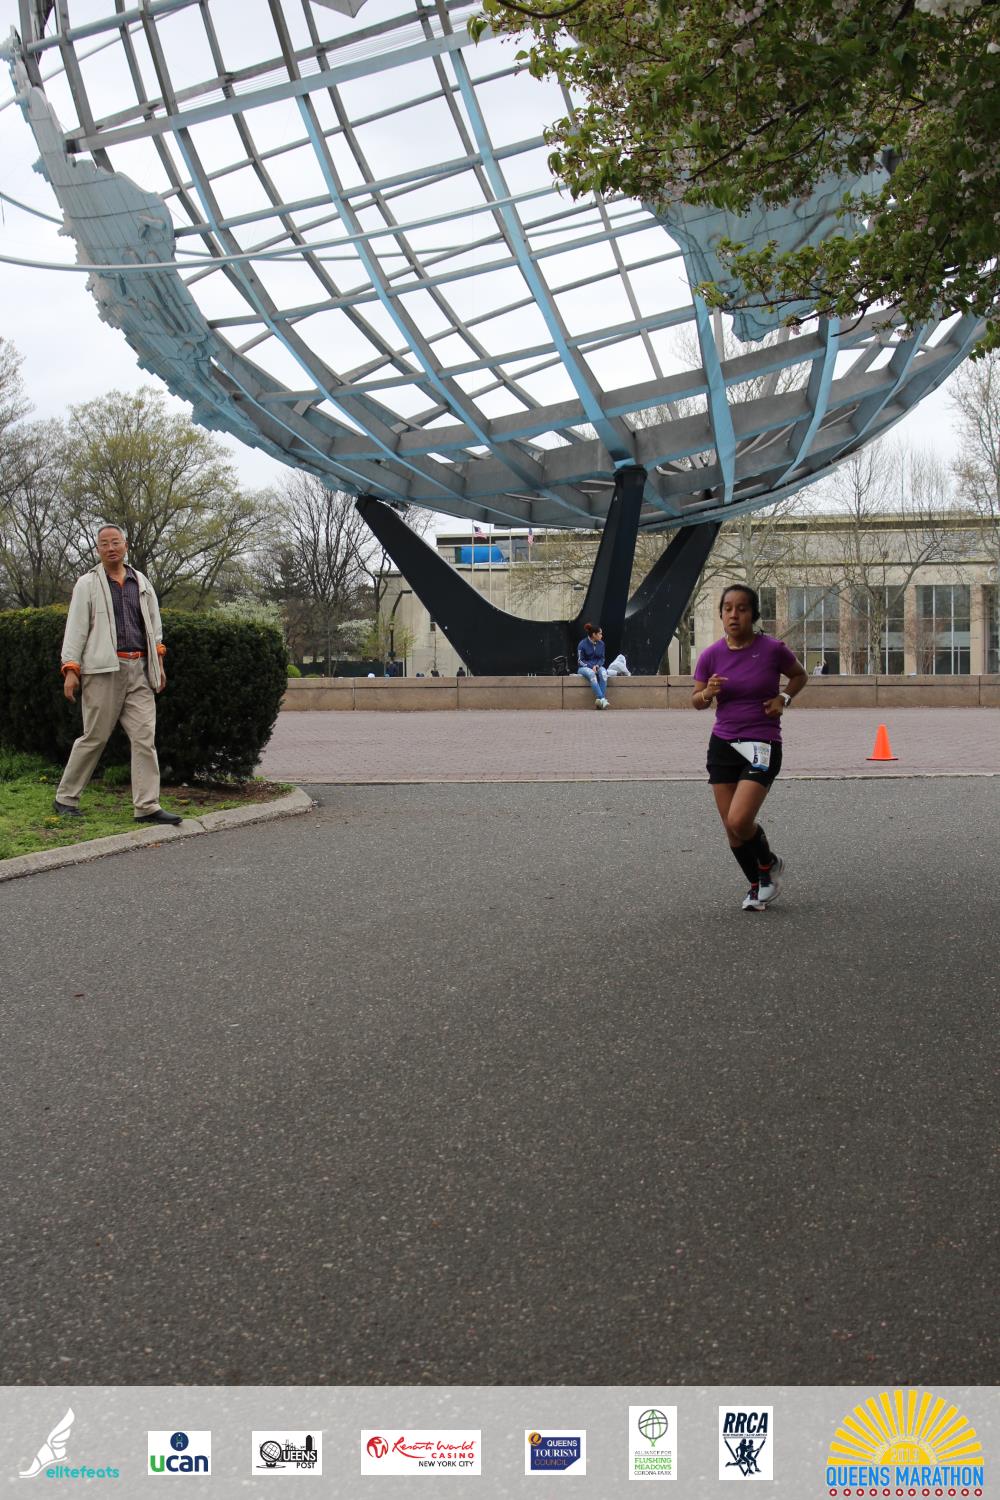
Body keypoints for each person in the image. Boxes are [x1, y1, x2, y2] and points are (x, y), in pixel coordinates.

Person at [54, 523, 182, 825]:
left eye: (115, 542)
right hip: (103, 671)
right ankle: (65, 798)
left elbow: (154, 627)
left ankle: (147, 806)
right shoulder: (87, 583)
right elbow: (76, 629)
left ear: (125, 545)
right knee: (95, 737)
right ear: (98, 549)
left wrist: (158, 663)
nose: (110, 548)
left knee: (144, 737)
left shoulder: (142, 582)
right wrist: (71, 669)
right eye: (104, 544)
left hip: (140, 670)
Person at [692, 584, 808, 911]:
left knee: (740, 820)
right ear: (721, 614)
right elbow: (697, 701)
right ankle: (756, 886)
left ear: (753, 614)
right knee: (731, 829)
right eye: (728, 608)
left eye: (742, 609)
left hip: (762, 741)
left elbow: (799, 676)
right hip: (723, 745)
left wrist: (783, 698)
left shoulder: (772, 650)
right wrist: (708, 692)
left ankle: (769, 864)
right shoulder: (711, 655)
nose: (734, 615)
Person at [577, 622, 610, 708]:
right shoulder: (582, 644)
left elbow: (602, 658)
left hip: (597, 666)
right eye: (600, 634)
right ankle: (602, 699)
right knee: (592, 674)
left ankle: (599, 703)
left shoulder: (601, 644)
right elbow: (580, 661)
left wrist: (597, 666)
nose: (601, 636)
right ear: (594, 634)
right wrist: (591, 666)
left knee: (604, 673)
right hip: (584, 667)